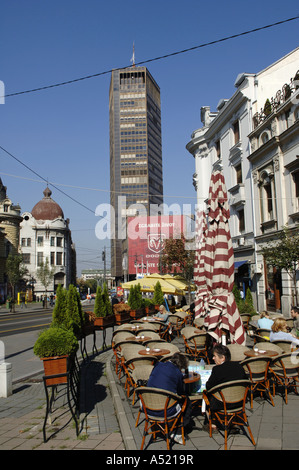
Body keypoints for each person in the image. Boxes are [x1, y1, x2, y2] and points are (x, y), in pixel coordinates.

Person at [147, 352, 191, 444]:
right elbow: (180, 392)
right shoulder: (177, 373)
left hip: (147, 406)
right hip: (165, 410)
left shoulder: (158, 364)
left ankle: (164, 427)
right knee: (186, 401)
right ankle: (178, 431)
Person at [204, 344, 247, 432]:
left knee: (206, 397)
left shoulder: (217, 369)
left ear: (222, 357)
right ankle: (233, 422)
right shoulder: (239, 366)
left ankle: (213, 425)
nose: (213, 358)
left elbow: (209, 386)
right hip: (239, 401)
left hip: (223, 402)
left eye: (214, 356)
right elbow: (246, 382)